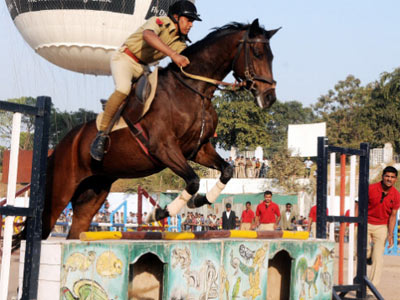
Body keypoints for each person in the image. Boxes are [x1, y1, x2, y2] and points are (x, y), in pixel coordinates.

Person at [90, 1, 202, 161]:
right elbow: (148, 35)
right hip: (125, 58)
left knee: (160, 99)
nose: (191, 24)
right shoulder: (159, 22)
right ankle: (101, 135)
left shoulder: (180, 42)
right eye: (188, 20)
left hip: (143, 68)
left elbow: (191, 63)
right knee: (123, 89)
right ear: (176, 17)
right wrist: (173, 54)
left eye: (192, 21)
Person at [366, 166, 400, 294]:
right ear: (382, 176)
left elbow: (393, 216)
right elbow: (359, 205)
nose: (389, 179)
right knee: (363, 250)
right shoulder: (371, 188)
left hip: (381, 227)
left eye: (392, 177)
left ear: (395, 179)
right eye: (387, 176)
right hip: (366, 223)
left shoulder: (396, 195)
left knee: (378, 259)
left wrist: (390, 235)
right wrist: (356, 224)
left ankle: (371, 290)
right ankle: (368, 256)